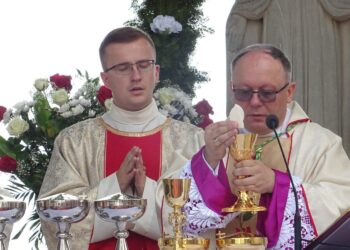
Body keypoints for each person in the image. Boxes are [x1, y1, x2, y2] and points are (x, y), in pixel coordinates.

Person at [38, 27, 205, 250]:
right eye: (123, 68)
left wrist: (145, 189)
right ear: (105, 79)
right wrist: (115, 185)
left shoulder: (192, 141)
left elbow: (205, 218)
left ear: (156, 72)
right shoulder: (75, 141)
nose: (136, 76)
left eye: (143, 65)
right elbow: (54, 220)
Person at [181, 44, 350, 249]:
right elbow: (172, 213)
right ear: (231, 89)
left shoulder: (320, 144)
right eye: (243, 92)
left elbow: (340, 209)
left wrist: (276, 184)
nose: (254, 102)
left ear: (289, 92)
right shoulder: (213, 142)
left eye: (267, 92)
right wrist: (208, 162)